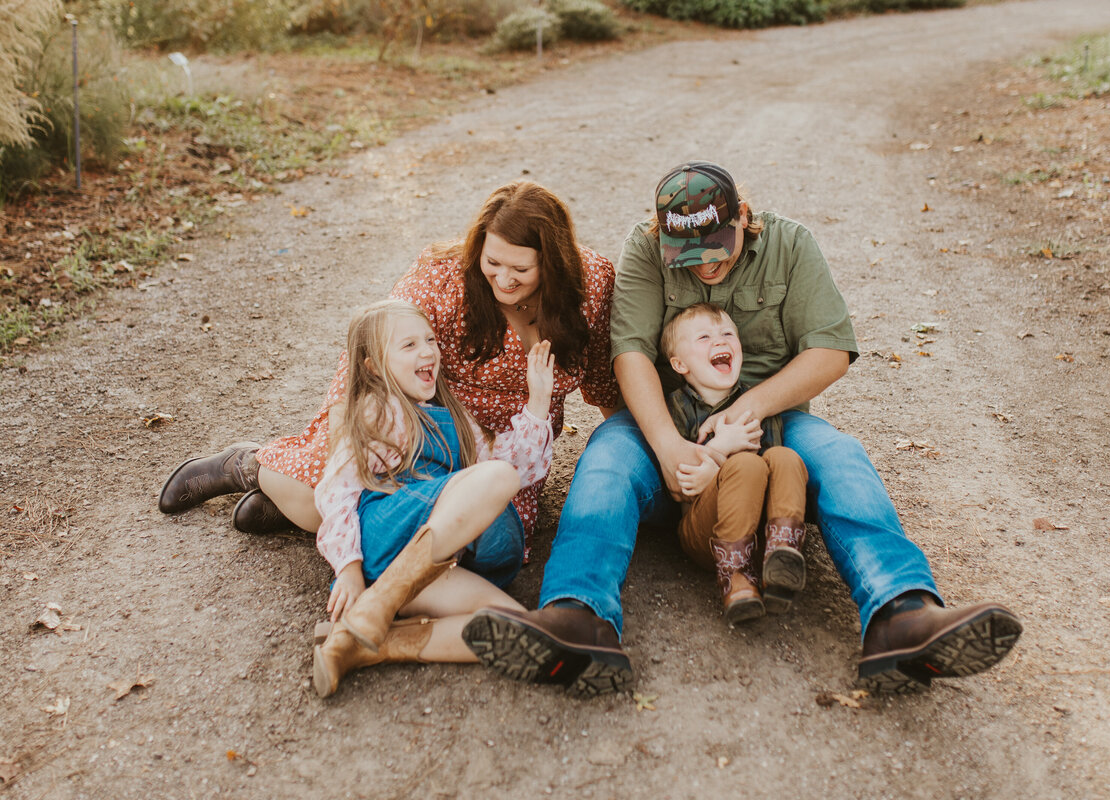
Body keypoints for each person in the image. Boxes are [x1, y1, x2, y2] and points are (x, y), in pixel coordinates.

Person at [464, 161, 1022, 695]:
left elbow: (830, 351)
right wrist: (665, 446)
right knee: (605, 458)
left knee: (840, 455)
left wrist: (749, 407)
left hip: (771, 423)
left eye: (715, 248)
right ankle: (576, 616)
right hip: (669, 420)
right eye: (688, 254)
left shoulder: (790, 245)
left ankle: (902, 614)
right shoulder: (646, 246)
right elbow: (630, 350)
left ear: (743, 215)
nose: (704, 266)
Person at [157, 182, 619, 559]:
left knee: (471, 544)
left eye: (520, 268)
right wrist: (340, 432)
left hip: (512, 447)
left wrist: (624, 454)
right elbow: (374, 347)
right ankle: (250, 466)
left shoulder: (592, 282)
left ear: (554, 263)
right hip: (423, 423)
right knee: (341, 480)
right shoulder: (443, 277)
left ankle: (289, 503)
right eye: (491, 262)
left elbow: (602, 376)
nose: (502, 279)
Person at [310, 299, 554, 697]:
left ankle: (361, 644)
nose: (427, 351)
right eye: (408, 346)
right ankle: (378, 603)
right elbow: (337, 488)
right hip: (391, 532)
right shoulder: (379, 409)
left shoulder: (454, 415)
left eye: (429, 340)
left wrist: (538, 400)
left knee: (521, 627)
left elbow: (517, 469)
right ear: (373, 367)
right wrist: (348, 568)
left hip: (444, 567)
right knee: (498, 475)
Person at [659, 301, 808, 624]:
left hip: (761, 527)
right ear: (680, 364)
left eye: (728, 333)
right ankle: (735, 575)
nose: (720, 341)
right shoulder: (677, 408)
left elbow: (774, 472)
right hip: (706, 531)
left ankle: (781, 552)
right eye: (704, 338)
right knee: (746, 465)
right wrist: (718, 454)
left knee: (785, 456)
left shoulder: (755, 404)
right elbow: (683, 483)